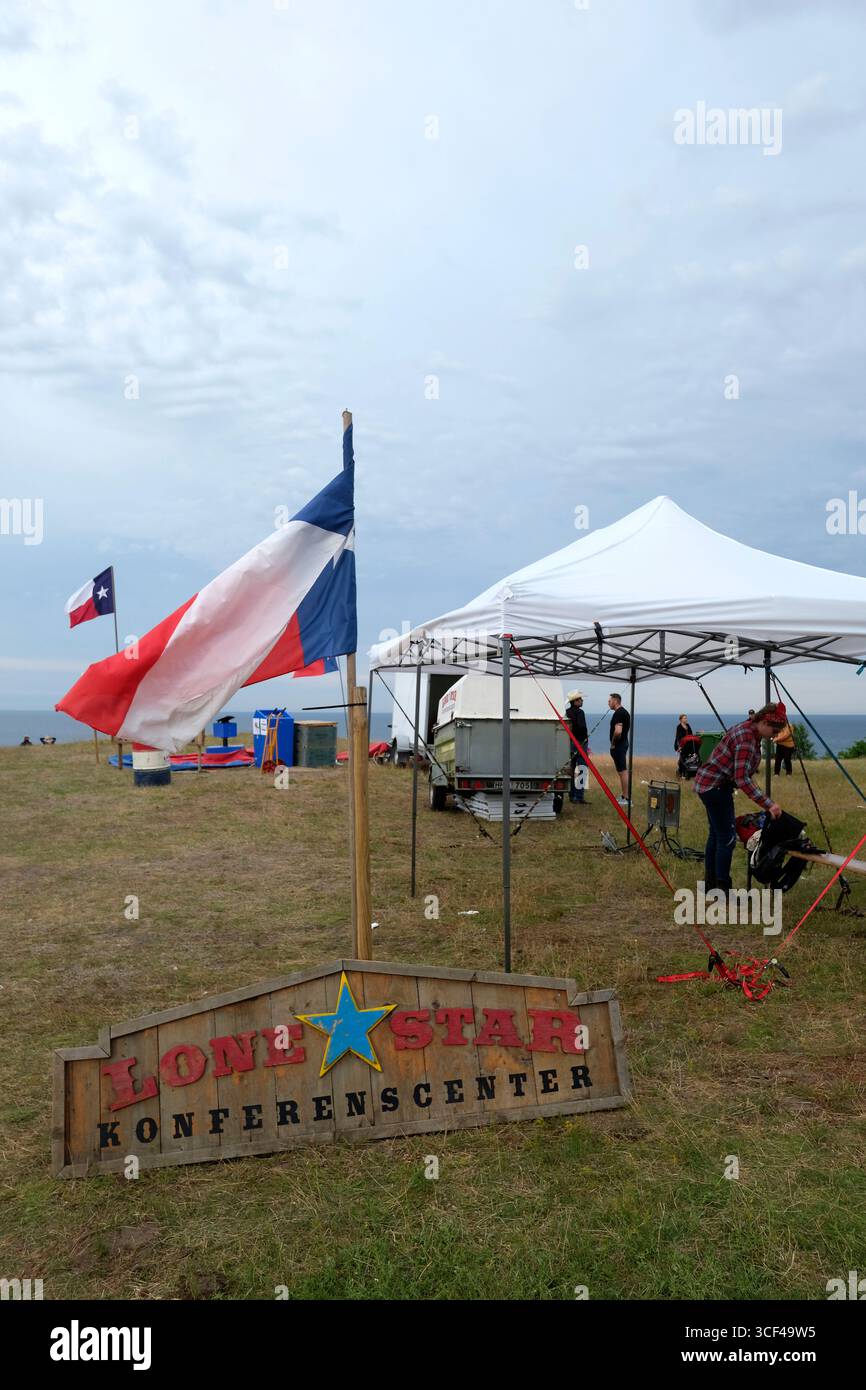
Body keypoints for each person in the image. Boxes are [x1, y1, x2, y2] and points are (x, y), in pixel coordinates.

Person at [693, 703, 786, 892]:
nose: (775, 735)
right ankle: (722, 890)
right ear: (763, 721)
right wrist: (769, 804)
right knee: (727, 838)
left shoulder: (747, 728)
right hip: (715, 788)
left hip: (707, 784)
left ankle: (710, 886)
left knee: (716, 835)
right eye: (774, 730)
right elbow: (741, 778)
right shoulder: (746, 739)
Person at [565, 690, 588, 803]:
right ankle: (579, 797)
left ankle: (571, 794)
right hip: (580, 743)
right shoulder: (580, 712)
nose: (582, 701)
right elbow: (582, 728)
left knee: (572, 768)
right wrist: (585, 737)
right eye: (580, 699)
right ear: (575, 701)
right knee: (583, 769)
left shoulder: (566, 712)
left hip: (569, 743)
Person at [608, 693, 630, 804]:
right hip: (623, 743)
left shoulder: (619, 713)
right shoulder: (623, 712)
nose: (608, 703)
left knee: (622, 771)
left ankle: (626, 797)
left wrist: (613, 744)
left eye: (609, 701)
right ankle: (624, 795)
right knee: (621, 771)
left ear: (615, 701)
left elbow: (618, 731)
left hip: (619, 745)